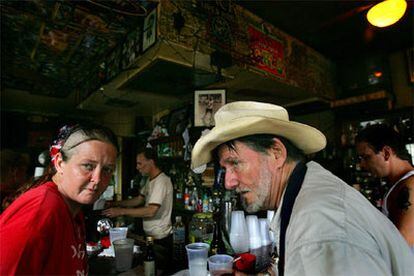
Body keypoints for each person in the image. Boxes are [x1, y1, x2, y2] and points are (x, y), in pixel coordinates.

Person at [191, 101, 413, 276]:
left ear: (276, 153)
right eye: (225, 169)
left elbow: (316, 250)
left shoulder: (318, 229)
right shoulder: (307, 190)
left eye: (235, 163)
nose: (228, 182)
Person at [0, 124, 119, 275]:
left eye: (107, 169)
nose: (97, 179)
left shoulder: (73, 209)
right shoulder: (43, 208)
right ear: (59, 163)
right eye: (88, 166)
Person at [103, 147, 173, 273]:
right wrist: (115, 204)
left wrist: (121, 211)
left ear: (151, 162)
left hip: (161, 239)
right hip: (150, 237)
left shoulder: (162, 181)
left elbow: (151, 210)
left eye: (140, 163)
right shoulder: (150, 180)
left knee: (155, 271)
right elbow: (139, 200)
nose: (137, 167)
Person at [355, 124, 414, 251]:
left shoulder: (411, 186)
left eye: (366, 157)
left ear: (386, 153)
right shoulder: (398, 185)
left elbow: (401, 245)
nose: (362, 164)